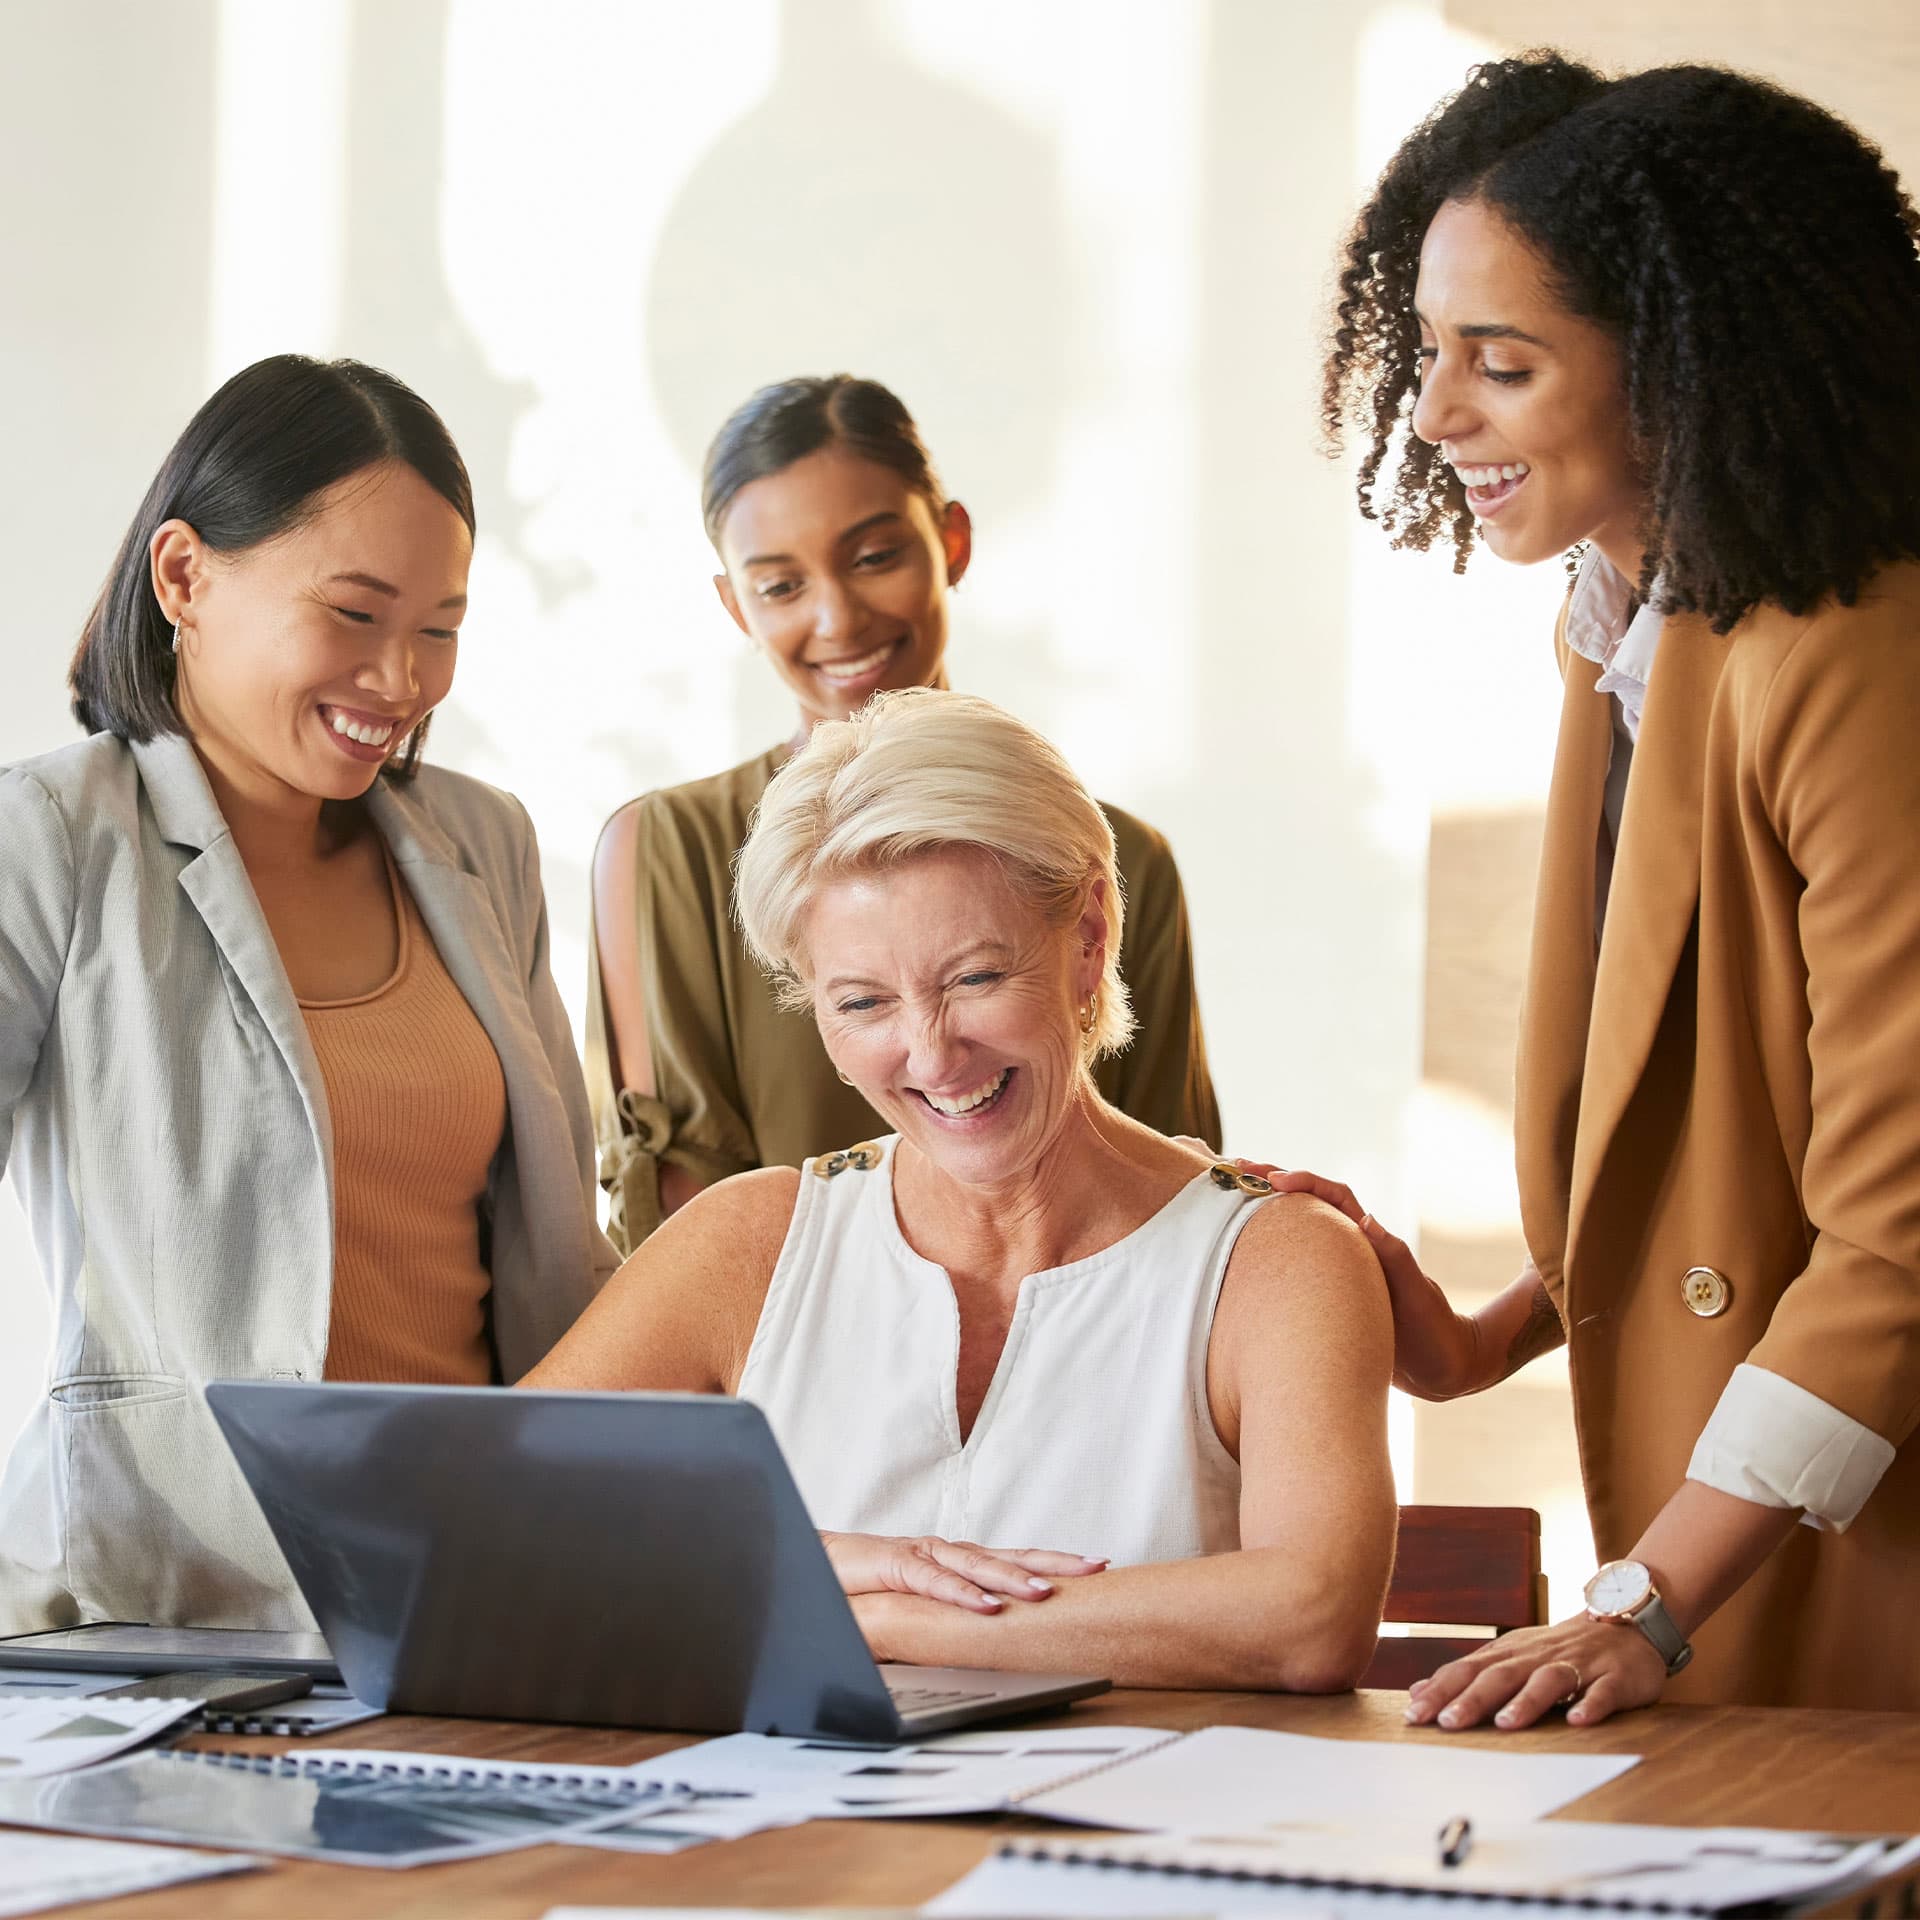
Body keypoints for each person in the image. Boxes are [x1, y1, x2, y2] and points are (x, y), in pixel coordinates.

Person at [1304, 52, 1920, 1722]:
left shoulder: (1854, 658)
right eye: (1429, 351)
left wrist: (1645, 1603)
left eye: (1500, 364)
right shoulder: (1620, 619)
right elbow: (1707, 1146)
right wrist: (1492, 1333)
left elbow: (1894, 1227)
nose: (1434, 414)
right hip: (1747, 1521)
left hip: (1861, 1548)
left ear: (1684, 366)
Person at [532, 689, 1394, 1688]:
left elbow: (1309, 1619)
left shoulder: (1278, 1260)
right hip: (799, 1840)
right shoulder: (751, 1241)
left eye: (975, 978)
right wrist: (826, 1567)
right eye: (862, 1002)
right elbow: (475, 1518)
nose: (933, 1054)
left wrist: (879, 1618)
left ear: (1087, 941)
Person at [0, 355, 615, 1634]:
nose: (400, 682)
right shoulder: (50, 839)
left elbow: (556, 1250)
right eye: (353, 614)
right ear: (184, 577)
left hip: (476, 1592)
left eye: (438, 629)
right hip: (169, 1612)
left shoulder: (483, 844)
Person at [588, 375, 1220, 1251]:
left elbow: (1165, 1186)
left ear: (950, 542)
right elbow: (685, 1215)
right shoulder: (665, 850)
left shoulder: (1123, 859)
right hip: (774, 1361)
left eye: (875, 557)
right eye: (779, 586)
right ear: (735, 606)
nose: (837, 618)